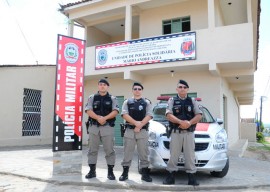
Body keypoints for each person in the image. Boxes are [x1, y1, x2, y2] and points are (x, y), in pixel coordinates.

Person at [163, 79, 202, 186]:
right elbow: (168, 115)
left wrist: (189, 123)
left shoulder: (193, 101)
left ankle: (191, 178)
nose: (182, 89)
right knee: (173, 155)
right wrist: (181, 122)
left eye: (184, 87)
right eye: (180, 87)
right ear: (177, 89)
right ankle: (170, 176)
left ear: (188, 89)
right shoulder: (172, 100)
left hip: (189, 133)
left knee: (190, 155)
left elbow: (199, 115)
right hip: (176, 132)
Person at [84, 78, 119, 180]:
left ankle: (110, 172)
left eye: (104, 84)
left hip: (107, 127)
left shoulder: (113, 98)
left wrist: (104, 118)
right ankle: (92, 171)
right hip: (94, 127)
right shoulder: (92, 97)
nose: (102, 86)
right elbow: (88, 110)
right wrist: (98, 118)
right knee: (92, 150)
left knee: (109, 150)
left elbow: (116, 111)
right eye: (100, 84)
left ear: (107, 86)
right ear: (98, 86)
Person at [119, 82, 153, 182]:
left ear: (142, 91)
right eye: (135, 89)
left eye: (139, 89)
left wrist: (140, 125)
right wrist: (136, 124)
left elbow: (149, 115)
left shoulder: (147, 102)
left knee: (144, 153)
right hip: (130, 130)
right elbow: (124, 114)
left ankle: (145, 174)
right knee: (127, 152)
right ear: (132, 90)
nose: (137, 90)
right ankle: (125, 173)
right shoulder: (127, 102)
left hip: (142, 131)